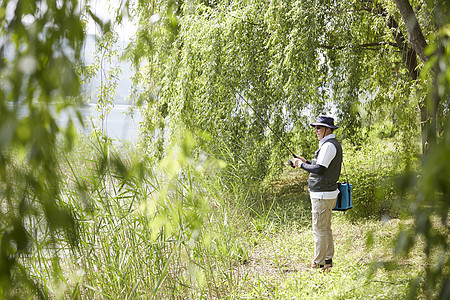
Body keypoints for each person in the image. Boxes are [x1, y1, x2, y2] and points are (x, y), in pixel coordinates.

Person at [292, 115, 342, 272]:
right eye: (315, 127)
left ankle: (318, 264)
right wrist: (306, 163)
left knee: (319, 230)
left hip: (322, 196)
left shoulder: (328, 146)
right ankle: (327, 262)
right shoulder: (329, 145)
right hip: (326, 195)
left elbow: (320, 169)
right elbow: (319, 166)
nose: (316, 130)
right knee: (325, 228)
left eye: (319, 127)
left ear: (328, 129)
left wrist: (300, 165)